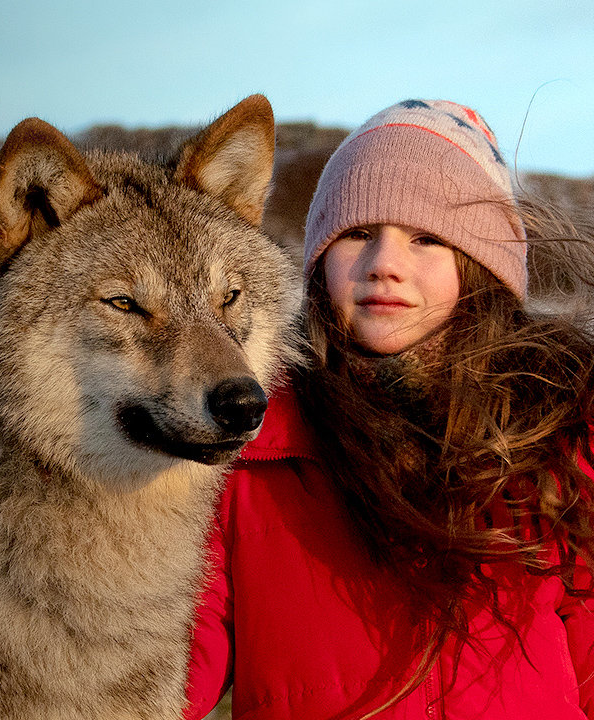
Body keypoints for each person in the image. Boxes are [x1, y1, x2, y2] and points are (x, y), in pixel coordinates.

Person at [185, 99, 594, 720]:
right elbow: (158, 674)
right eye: (356, 234)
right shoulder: (244, 453)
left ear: (478, 268)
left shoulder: (554, 438)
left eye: (426, 238)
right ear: (319, 263)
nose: (385, 265)